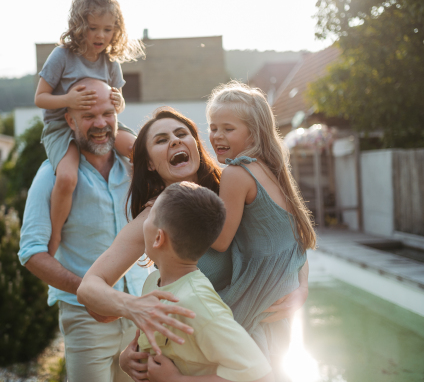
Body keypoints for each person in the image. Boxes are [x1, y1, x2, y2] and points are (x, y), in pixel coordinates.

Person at [76, 107, 309, 381]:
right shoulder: (154, 218)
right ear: (149, 163)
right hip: (206, 364)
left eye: (181, 133)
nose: (174, 140)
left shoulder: (234, 184)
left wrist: (301, 286)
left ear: (196, 146)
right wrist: (136, 327)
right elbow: (89, 287)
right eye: (161, 140)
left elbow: (288, 233)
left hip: (266, 343)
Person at [20, 78, 148, 382]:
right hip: (86, 318)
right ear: (70, 120)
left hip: (139, 311)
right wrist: (91, 293)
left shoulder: (135, 169)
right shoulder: (51, 174)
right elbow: (31, 253)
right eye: (89, 116)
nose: (101, 123)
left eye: (107, 114)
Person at [205, 81, 316, 378]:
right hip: (277, 294)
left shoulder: (236, 173)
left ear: (253, 132)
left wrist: (183, 212)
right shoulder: (272, 170)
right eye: (213, 127)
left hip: (256, 295)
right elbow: (296, 243)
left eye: (228, 128)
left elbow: (220, 241)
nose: (217, 136)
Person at [34, 0, 144, 255]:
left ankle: (149, 212)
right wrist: (68, 101)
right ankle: (56, 234)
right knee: (68, 177)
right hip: (61, 127)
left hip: (100, 125)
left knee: (140, 150)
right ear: (79, 26)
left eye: (108, 30)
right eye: (93, 28)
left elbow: (119, 100)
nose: (100, 36)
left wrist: (119, 103)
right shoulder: (62, 56)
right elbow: (40, 98)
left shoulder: (110, 62)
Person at [136, 181, 273, 382]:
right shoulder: (152, 282)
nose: (143, 221)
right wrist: (128, 359)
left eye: (149, 216)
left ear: (158, 238)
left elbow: (261, 375)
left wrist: (176, 380)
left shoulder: (197, 303)